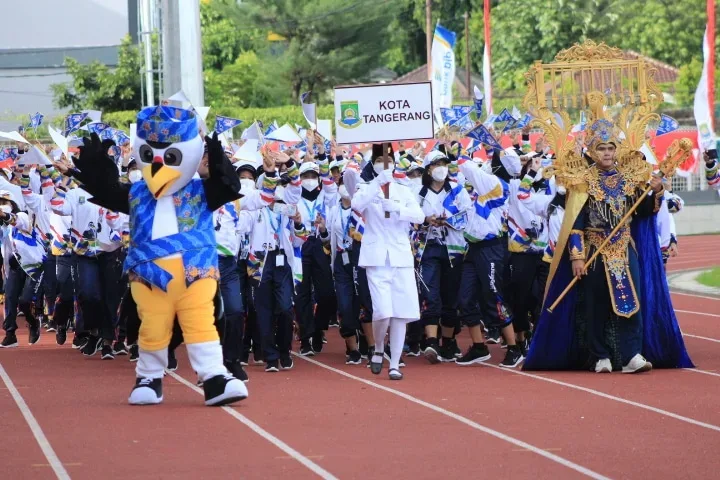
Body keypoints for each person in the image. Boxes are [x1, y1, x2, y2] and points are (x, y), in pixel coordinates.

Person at [525, 93, 693, 373]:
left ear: (616, 150)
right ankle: (599, 354)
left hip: (625, 249)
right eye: (601, 148)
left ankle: (631, 355)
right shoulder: (583, 183)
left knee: (632, 300)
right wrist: (577, 257)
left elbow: (644, 212)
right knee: (595, 304)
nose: (606, 153)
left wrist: (656, 191)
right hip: (594, 249)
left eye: (610, 148)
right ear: (592, 151)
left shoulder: (628, 181)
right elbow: (575, 223)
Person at [350, 145, 424, 380]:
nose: (385, 164)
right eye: (380, 160)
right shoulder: (365, 187)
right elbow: (356, 205)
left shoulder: (404, 190)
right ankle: (379, 347)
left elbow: (420, 217)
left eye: (388, 160)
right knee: (382, 310)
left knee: (401, 313)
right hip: (376, 256)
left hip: (401, 256)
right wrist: (377, 183)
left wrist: (399, 209)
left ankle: (394, 362)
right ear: (373, 164)